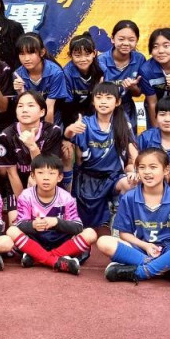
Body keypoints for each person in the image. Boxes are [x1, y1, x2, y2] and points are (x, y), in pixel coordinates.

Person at [97, 148, 170, 284]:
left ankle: (142, 272)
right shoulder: (129, 198)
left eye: (153, 167)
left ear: (166, 170)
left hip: (169, 250)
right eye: (142, 167)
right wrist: (146, 245)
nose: (147, 172)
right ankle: (168, 269)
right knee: (104, 242)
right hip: (141, 250)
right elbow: (124, 234)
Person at [63, 82, 138, 231]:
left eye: (108, 97)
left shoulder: (122, 122)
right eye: (99, 97)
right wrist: (70, 129)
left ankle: (121, 221)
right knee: (87, 227)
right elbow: (68, 136)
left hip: (114, 177)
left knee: (131, 184)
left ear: (118, 102)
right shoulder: (85, 123)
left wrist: (135, 171)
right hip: (88, 178)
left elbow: (132, 149)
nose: (103, 101)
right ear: (93, 101)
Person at [6, 154, 96, 274]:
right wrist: (33, 225)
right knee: (11, 231)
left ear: (59, 177)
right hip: (36, 241)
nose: (46, 178)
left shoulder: (66, 197)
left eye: (51, 173)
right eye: (40, 173)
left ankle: (38, 258)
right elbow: (20, 224)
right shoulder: (26, 196)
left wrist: (56, 222)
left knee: (90, 234)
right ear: (33, 176)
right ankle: (55, 261)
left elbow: (77, 226)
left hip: (60, 242)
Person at [0, 91, 64, 219]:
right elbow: (11, 173)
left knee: (34, 180)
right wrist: (24, 205)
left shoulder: (52, 132)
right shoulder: (7, 135)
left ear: (42, 112)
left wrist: (33, 147)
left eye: (30, 105)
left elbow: (48, 170)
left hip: (46, 184)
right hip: (18, 186)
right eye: (20, 106)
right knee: (16, 221)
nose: (24, 110)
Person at [97, 20, 144, 133]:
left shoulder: (140, 59)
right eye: (121, 39)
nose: (126, 43)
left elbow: (138, 93)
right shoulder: (100, 61)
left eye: (131, 40)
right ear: (112, 39)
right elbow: (96, 93)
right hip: (104, 109)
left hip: (127, 108)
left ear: (137, 40)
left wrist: (133, 87)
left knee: (129, 140)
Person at [13, 33, 68, 125]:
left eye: (31, 53)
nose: (26, 58)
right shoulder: (17, 75)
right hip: (29, 118)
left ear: (42, 52)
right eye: (22, 54)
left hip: (52, 118)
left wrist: (47, 132)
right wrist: (20, 92)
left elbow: (49, 108)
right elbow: (24, 108)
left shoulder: (55, 73)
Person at [61, 33, 104, 126]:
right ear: (70, 55)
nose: (83, 59)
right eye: (78, 55)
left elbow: (106, 99)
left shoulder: (102, 70)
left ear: (94, 53)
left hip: (96, 110)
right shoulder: (66, 73)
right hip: (73, 111)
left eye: (87, 55)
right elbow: (67, 105)